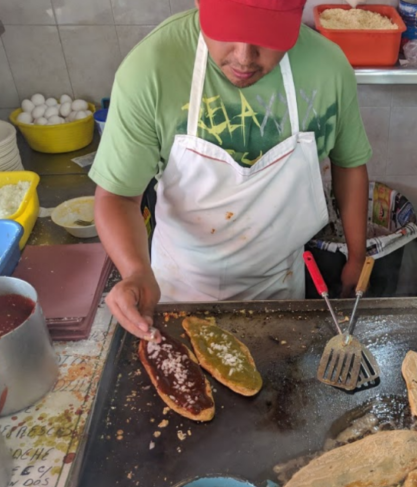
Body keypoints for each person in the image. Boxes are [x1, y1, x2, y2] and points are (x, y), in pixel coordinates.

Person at [90, 0, 371, 341]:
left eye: (266, 35)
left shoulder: (328, 69)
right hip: (175, 292)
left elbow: (349, 164)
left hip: (280, 290)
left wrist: (357, 256)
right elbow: (117, 195)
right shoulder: (151, 68)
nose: (243, 57)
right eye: (227, 31)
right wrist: (135, 272)